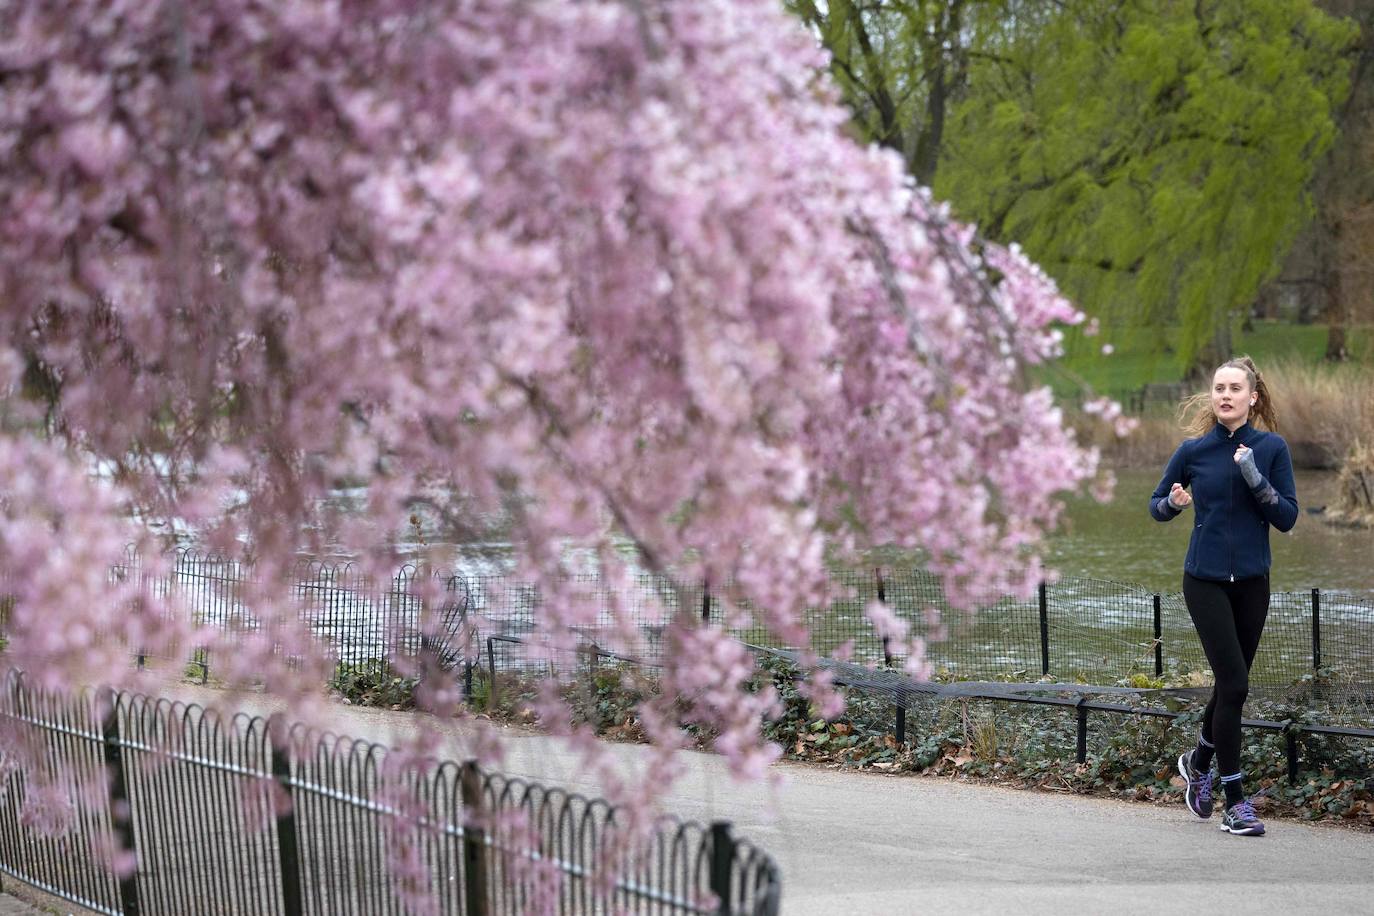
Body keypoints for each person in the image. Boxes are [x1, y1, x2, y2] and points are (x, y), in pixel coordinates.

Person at [1149, 355, 1299, 837]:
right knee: (1234, 685)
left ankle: (1198, 760)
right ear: (1212, 396)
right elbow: (1154, 506)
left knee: (1229, 685)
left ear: (1252, 397)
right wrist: (1171, 503)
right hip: (1205, 581)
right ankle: (1234, 802)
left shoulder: (1271, 448)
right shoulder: (1193, 451)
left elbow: (1287, 518)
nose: (1226, 395)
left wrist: (1256, 477)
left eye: (1236, 388)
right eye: (1219, 388)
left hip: (1253, 583)